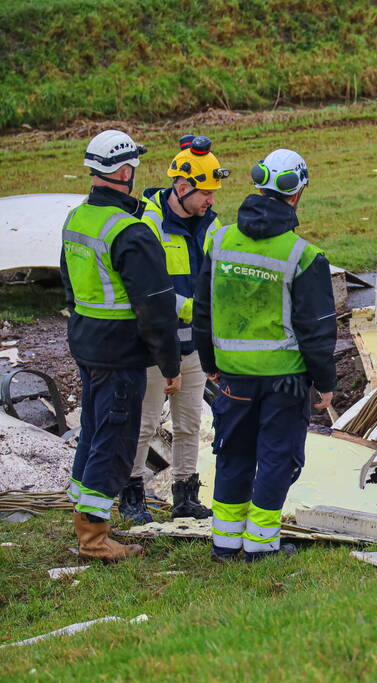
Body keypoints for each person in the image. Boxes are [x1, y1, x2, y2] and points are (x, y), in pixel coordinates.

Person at [193, 149, 336, 562]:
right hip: (286, 381)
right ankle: (260, 546)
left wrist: (210, 364)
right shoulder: (303, 255)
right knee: (277, 458)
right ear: (296, 194)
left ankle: (225, 542)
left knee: (233, 453)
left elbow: (204, 312)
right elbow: (317, 331)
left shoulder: (219, 241)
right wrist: (325, 383)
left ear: (257, 186)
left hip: (233, 377)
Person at [61, 129, 181, 563]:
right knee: (113, 442)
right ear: (126, 171)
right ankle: (93, 538)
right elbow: (156, 309)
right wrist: (170, 364)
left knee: (93, 432)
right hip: (120, 354)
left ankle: (81, 517)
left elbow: (70, 288)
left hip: (87, 347)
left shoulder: (77, 219)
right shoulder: (130, 232)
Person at [119, 135, 228, 523]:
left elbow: (219, 280)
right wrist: (198, 310)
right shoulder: (147, 224)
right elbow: (151, 293)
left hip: (194, 344)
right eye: (205, 193)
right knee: (145, 423)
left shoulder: (211, 226)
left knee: (189, 423)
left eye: (214, 193)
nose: (211, 200)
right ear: (182, 188)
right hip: (154, 345)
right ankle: (132, 495)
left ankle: (186, 495)